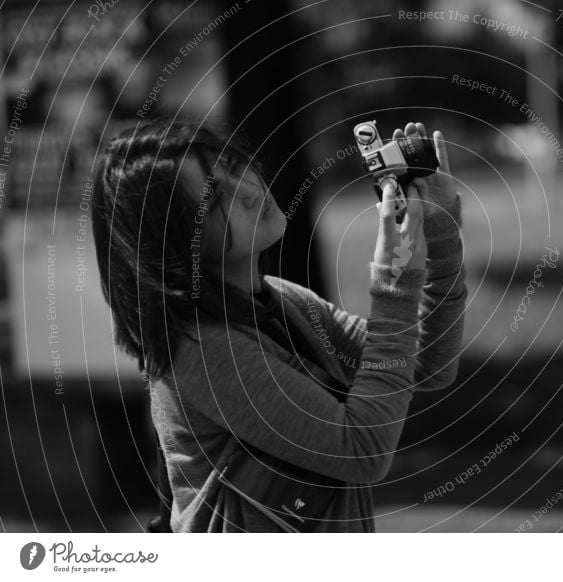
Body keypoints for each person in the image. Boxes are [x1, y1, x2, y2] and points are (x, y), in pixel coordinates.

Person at [91, 118, 467, 532]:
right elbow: (363, 449)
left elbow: (427, 363)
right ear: (174, 242)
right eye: (214, 196)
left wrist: (440, 237)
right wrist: (394, 289)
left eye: (235, 166)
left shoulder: (284, 301)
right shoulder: (204, 348)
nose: (250, 191)